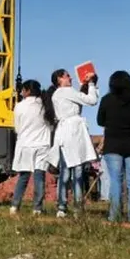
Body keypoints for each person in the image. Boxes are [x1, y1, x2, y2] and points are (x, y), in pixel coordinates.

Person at [44, 68, 99, 217]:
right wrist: (92, 84)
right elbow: (91, 100)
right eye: (67, 76)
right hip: (74, 133)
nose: (71, 78)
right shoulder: (67, 91)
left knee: (65, 171)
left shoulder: (57, 95)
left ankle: (62, 206)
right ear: (60, 79)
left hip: (64, 134)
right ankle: (77, 207)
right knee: (78, 172)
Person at [97, 71, 130, 222]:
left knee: (115, 180)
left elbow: (100, 120)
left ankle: (114, 215)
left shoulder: (106, 100)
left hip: (113, 145)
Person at [10, 80, 52, 215]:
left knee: (23, 177)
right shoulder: (45, 105)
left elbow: (17, 128)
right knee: (39, 177)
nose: (21, 92)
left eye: (22, 90)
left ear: (27, 91)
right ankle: (37, 209)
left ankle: (15, 206)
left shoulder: (19, 106)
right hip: (42, 145)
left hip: (26, 145)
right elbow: (50, 126)